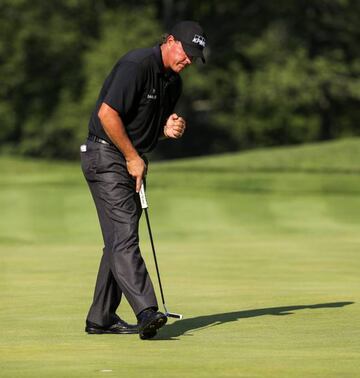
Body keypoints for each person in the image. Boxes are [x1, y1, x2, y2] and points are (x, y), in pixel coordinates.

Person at [80, 20, 207, 340]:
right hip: (104, 156)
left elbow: (145, 131)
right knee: (124, 233)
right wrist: (133, 157)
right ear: (170, 41)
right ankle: (147, 310)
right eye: (187, 52)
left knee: (118, 238)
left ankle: (101, 317)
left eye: (195, 56)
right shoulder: (136, 64)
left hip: (128, 160)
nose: (189, 60)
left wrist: (166, 130)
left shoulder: (173, 83)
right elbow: (108, 115)